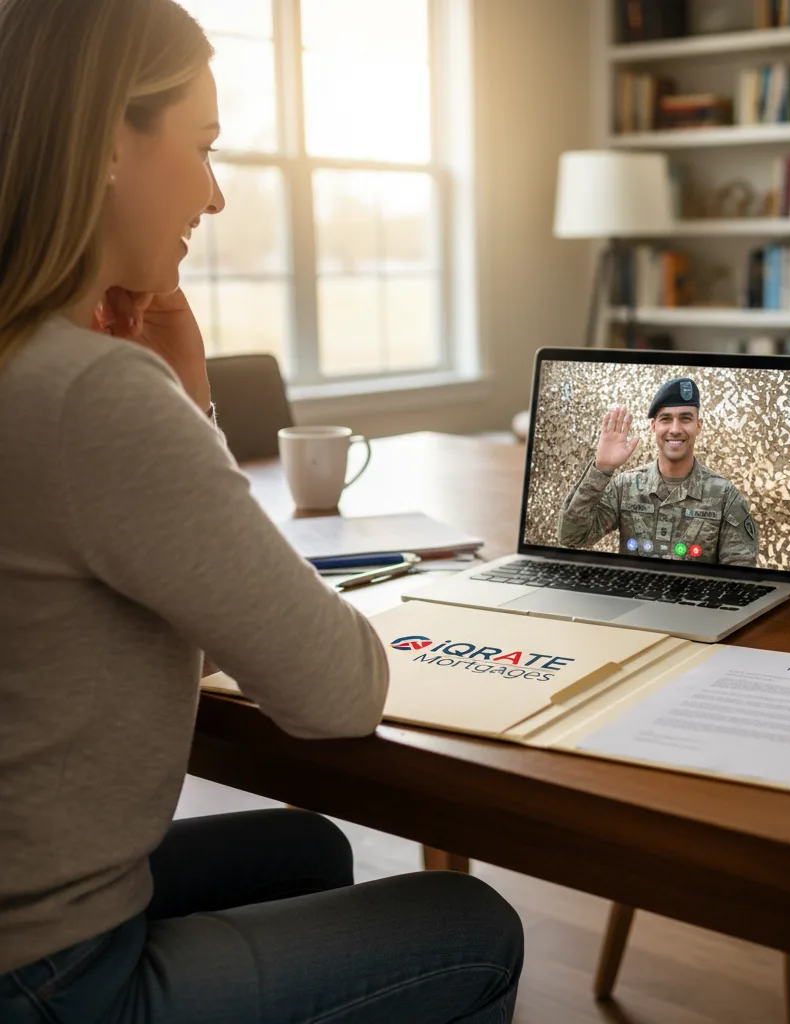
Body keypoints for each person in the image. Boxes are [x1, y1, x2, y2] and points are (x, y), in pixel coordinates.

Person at [0, 1, 523, 1022]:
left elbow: (170, 638)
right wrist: (178, 402)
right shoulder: (91, 394)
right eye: (201, 146)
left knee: (305, 849)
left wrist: (180, 396)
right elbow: (338, 689)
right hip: (47, 973)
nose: (215, 193)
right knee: (474, 925)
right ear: (107, 138)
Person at [557, 378, 759, 566]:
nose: (675, 429)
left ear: (698, 426)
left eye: (685, 419)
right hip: (634, 591)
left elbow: (740, 572)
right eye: (666, 419)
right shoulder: (626, 487)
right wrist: (602, 469)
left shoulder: (724, 496)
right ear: (654, 426)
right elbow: (571, 536)